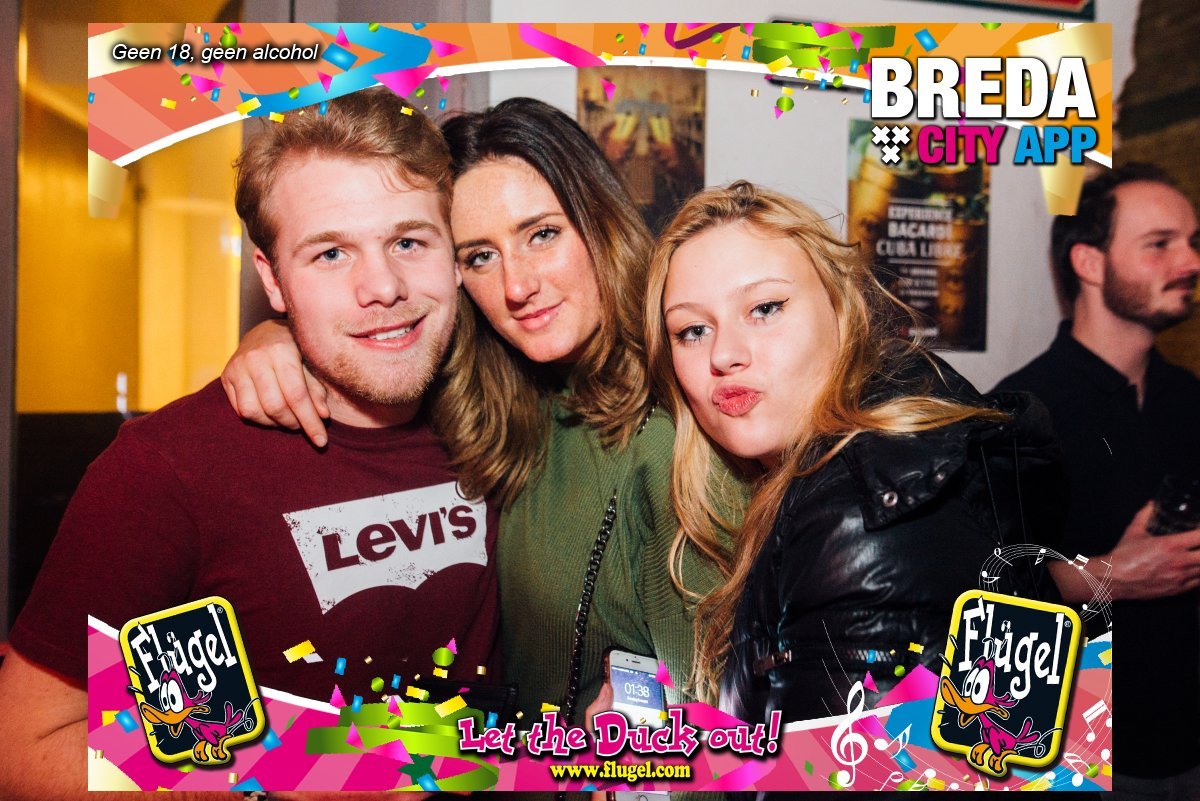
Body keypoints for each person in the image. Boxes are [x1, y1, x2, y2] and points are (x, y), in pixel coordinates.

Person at [0, 89, 501, 800]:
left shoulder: (501, 415)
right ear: (273, 279)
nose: (383, 287)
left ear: (454, 254)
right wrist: (289, 775)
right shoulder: (171, 469)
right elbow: (24, 749)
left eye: (408, 242)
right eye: (331, 253)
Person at [220, 97, 727, 726]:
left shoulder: (679, 431)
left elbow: (711, 718)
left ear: (601, 221)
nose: (517, 286)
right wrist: (279, 335)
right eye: (479, 256)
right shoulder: (499, 402)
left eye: (542, 234)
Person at [642, 181, 1063, 728]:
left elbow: (846, 764)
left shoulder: (862, 512)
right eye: (693, 330)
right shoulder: (885, 450)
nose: (724, 354)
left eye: (765, 308)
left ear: (843, 311)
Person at [995, 163, 1200, 795]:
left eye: (1193, 243)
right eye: (1160, 244)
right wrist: (1108, 575)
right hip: (1075, 761)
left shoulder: (1189, 398)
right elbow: (976, 593)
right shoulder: (1018, 412)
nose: (1190, 262)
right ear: (1088, 261)